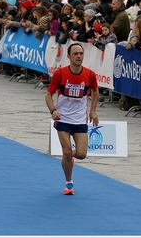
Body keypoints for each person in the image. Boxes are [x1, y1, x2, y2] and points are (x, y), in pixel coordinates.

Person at [45, 43, 99, 195]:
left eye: (81, 53)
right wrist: (53, 110)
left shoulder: (90, 74)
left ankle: (69, 158)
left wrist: (93, 111)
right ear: (68, 57)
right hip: (63, 118)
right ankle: (69, 183)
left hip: (80, 119)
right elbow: (48, 94)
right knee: (67, 152)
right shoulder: (60, 74)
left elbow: (95, 91)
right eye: (75, 54)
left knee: (81, 154)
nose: (79, 56)